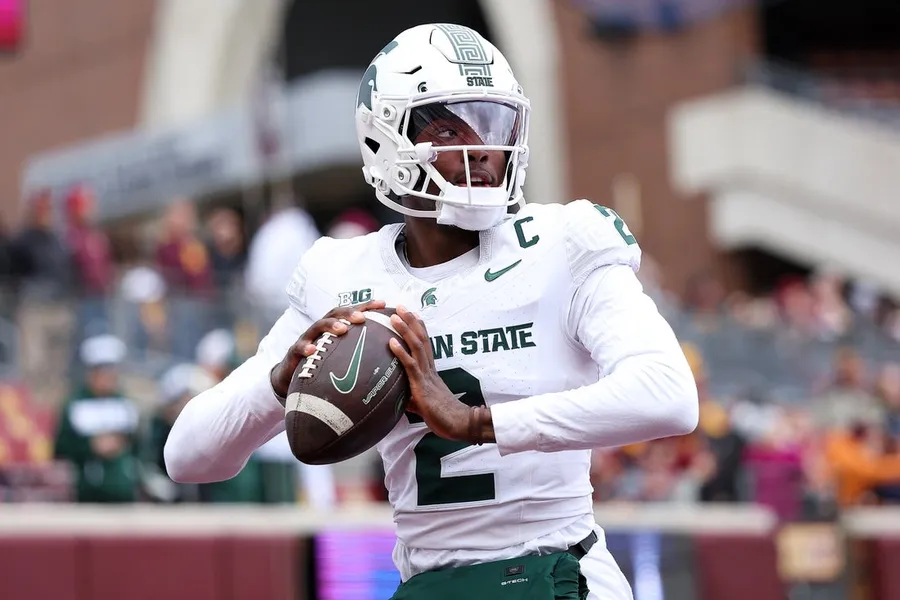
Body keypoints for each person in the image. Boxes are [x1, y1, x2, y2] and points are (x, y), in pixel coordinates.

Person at [165, 23, 698, 600]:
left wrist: (476, 423)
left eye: (493, 124)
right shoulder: (343, 276)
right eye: (449, 128)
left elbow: (668, 395)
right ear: (385, 140)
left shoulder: (562, 242)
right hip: (430, 581)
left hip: (555, 567)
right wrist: (278, 382)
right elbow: (188, 457)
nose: (483, 148)